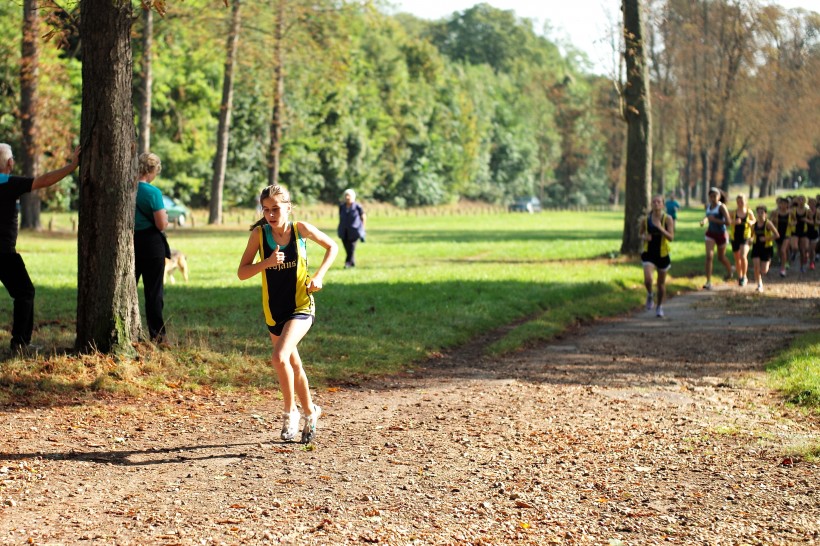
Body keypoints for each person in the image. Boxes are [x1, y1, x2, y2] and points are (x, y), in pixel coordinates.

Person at [238, 184, 338, 444]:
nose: (271, 214)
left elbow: (332, 247)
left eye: (277, 209)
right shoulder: (259, 235)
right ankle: (310, 412)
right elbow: (242, 272)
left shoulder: (299, 229)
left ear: (289, 208)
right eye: (267, 209)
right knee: (292, 364)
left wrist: (318, 276)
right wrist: (267, 262)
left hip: (301, 306)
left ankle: (290, 412)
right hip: (274, 311)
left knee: (279, 356)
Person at [0, 143, 80, 353]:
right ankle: (20, 344)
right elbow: (43, 180)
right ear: (10, 162)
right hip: (4, 253)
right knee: (25, 292)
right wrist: (71, 167)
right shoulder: (9, 183)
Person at [134, 152, 170, 344]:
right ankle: (158, 335)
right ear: (152, 170)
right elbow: (161, 224)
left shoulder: (127, 188)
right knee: (153, 292)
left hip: (130, 243)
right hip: (151, 245)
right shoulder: (152, 192)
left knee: (129, 286)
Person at [639, 195, 674, 317]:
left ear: (663, 205)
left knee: (661, 284)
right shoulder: (646, 219)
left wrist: (660, 228)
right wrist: (644, 237)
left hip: (663, 255)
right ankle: (649, 294)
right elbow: (641, 234)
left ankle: (659, 306)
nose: (656, 203)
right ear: (651, 204)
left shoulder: (668, 219)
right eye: (654, 202)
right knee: (648, 280)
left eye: (659, 202)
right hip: (649, 253)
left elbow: (671, 238)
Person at [699, 187, 733, 289]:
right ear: (709, 197)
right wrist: (704, 221)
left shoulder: (721, 207)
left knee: (721, 257)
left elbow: (728, 222)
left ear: (719, 197)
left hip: (721, 234)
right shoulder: (707, 206)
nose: (713, 198)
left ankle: (730, 270)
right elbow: (708, 217)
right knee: (709, 257)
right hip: (710, 234)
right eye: (711, 196)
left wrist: (715, 220)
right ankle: (708, 281)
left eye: (715, 196)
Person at [750, 205, 779, 293]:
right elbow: (751, 236)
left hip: (766, 248)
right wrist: (749, 240)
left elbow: (777, 235)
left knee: (764, 270)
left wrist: (766, 238)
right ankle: (759, 284)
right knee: (756, 266)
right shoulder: (754, 225)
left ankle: (768, 261)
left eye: (762, 212)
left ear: (765, 214)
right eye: (758, 212)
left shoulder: (768, 223)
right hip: (756, 247)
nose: (760, 214)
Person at [729, 194, 755, 286]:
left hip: (745, 237)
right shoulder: (734, 212)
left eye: (742, 201)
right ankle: (739, 276)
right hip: (735, 237)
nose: (740, 203)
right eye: (738, 201)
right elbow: (727, 221)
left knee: (743, 256)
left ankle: (744, 276)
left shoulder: (749, 212)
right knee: (737, 258)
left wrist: (750, 222)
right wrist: (734, 222)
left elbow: (755, 221)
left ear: (745, 201)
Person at [337, 188, 366, 268]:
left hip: (354, 230)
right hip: (344, 230)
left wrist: (362, 228)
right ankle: (352, 263)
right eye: (346, 195)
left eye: (349, 195)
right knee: (346, 247)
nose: (347, 197)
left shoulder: (357, 206)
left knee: (352, 248)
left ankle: (347, 263)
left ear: (353, 196)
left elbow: (363, 216)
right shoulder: (342, 206)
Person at [789, 195, 811, 273]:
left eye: (802, 199)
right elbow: (788, 216)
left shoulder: (807, 210)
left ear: (805, 201)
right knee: (795, 247)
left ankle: (802, 267)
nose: (801, 201)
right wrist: (792, 223)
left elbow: (812, 221)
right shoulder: (793, 210)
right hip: (795, 231)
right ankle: (794, 253)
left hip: (803, 231)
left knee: (803, 250)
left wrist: (806, 220)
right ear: (797, 201)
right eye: (799, 199)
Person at [772, 197, 792, 277]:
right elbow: (770, 221)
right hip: (778, 234)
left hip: (787, 234)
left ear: (787, 205)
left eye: (784, 204)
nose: (783, 205)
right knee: (779, 251)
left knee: (783, 250)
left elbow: (795, 221)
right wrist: (773, 220)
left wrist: (792, 223)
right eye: (781, 203)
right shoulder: (775, 212)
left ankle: (783, 269)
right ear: (779, 204)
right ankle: (784, 261)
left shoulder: (790, 213)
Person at [807, 197, 818, 271]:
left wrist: (816, 222)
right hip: (806, 232)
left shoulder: (818, 212)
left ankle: (812, 263)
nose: (812, 204)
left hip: (814, 232)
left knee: (812, 249)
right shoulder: (806, 211)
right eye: (810, 203)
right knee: (807, 248)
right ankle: (806, 260)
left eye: (813, 203)